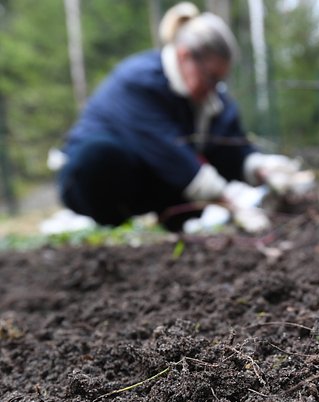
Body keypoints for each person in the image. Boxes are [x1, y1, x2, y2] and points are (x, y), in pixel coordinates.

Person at [55, 3, 305, 231]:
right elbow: (170, 155)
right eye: (211, 77)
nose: (214, 87)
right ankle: (100, 221)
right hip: (90, 184)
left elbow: (232, 147)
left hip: (151, 183)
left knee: (201, 165)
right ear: (185, 56)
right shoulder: (139, 82)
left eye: (220, 80)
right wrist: (233, 201)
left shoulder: (210, 101)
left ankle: (175, 222)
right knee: (100, 154)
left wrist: (262, 168)